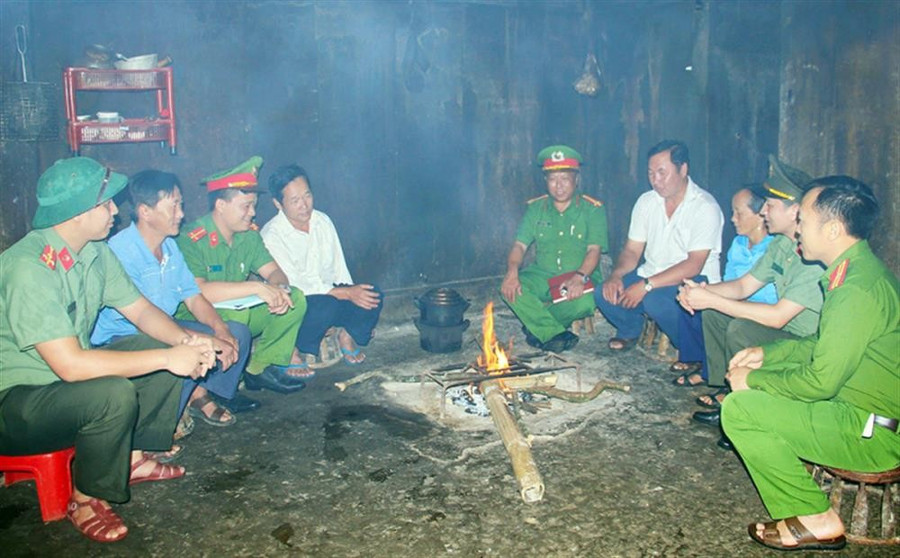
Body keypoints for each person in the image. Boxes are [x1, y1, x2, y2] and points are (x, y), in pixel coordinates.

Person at [0, 157, 219, 542]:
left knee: (163, 342)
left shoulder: (94, 252)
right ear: (77, 212)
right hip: (18, 403)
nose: (116, 211)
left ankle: (132, 456)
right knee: (113, 392)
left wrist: (186, 342)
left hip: (61, 389)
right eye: (105, 204)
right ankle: (85, 498)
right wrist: (170, 357)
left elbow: (141, 311)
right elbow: (69, 366)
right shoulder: (29, 267)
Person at [722, 176, 899, 552]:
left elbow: (820, 382)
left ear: (833, 229)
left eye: (802, 219)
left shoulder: (855, 289)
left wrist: (755, 380)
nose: (796, 227)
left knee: (740, 410)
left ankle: (815, 517)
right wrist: (767, 355)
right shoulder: (855, 272)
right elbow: (822, 344)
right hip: (856, 412)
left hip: (872, 432)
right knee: (755, 394)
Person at [91, 170, 259, 427]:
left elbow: (193, 297)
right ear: (146, 212)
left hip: (165, 328)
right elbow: (142, 321)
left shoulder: (170, 247)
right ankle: (160, 423)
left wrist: (220, 329)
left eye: (180, 205)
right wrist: (201, 339)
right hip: (125, 337)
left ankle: (195, 393)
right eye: (173, 206)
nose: (181, 214)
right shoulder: (121, 252)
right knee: (191, 348)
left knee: (237, 333)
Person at [679, 156, 824, 437]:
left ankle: (745, 411)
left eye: (770, 205)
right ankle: (728, 391)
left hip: (804, 342)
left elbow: (779, 316)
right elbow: (744, 285)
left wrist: (713, 299)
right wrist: (701, 291)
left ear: (795, 211)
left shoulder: (813, 255)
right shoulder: (782, 244)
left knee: (739, 328)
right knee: (714, 314)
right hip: (785, 331)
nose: (764, 212)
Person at [174, 156, 308, 394]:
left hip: (238, 310)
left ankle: (258, 369)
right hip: (198, 315)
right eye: (246, 206)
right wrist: (257, 288)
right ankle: (217, 389)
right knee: (237, 317)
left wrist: (279, 289)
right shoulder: (191, 238)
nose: (253, 213)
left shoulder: (249, 236)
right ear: (221, 205)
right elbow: (198, 291)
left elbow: (276, 272)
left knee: (295, 299)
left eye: (254, 205)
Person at [596, 140, 723, 351]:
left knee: (657, 301)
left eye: (662, 173)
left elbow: (693, 265)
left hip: (694, 280)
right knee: (604, 292)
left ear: (683, 169)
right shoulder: (646, 202)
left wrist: (647, 285)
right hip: (651, 274)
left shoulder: (704, 207)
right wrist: (616, 276)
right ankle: (630, 330)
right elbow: (632, 250)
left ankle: (696, 352)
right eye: (651, 173)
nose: (655, 180)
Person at [261, 165, 382, 367]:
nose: (304, 205)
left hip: (333, 295)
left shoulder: (322, 221)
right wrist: (346, 294)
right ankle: (294, 346)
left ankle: (346, 335)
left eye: (307, 196)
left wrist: (354, 298)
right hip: (298, 305)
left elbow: (339, 269)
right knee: (324, 306)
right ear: (278, 204)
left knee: (372, 293)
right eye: (295, 201)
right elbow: (295, 286)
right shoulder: (272, 235)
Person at [500, 145, 608, 353]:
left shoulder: (593, 209)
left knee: (586, 301)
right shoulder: (535, 208)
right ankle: (551, 332)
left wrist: (580, 276)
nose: (559, 186)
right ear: (545, 181)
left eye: (565, 179)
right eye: (553, 179)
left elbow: (594, 250)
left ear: (576, 179)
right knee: (509, 288)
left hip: (579, 273)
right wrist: (512, 272)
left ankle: (537, 327)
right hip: (542, 273)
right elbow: (519, 245)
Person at [671, 187, 776, 388]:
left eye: (739, 213)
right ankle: (708, 369)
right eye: (732, 212)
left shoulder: (775, 247)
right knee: (690, 295)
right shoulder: (739, 244)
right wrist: (700, 290)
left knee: (717, 313)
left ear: (761, 215)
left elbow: (766, 296)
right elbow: (732, 283)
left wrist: (716, 299)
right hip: (737, 300)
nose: (733, 219)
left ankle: (716, 376)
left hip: (759, 310)